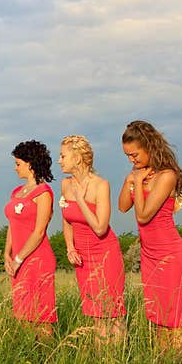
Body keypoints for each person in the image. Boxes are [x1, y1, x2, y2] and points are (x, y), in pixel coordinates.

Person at [118, 120, 182, 352]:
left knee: (176, 316)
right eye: (128, 156)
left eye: (134, 154)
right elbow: (122, 207)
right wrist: (129, 179)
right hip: (149, 254)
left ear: (149, 146)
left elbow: (143, 216)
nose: (132, 160)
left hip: (170, 253)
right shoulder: (139, 175)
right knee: (159, 315)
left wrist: (138, 181)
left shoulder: (166, 176)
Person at [58, 134, 126, 343]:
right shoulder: (65, 185)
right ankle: (100, 363)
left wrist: (80, 199)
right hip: (83, 258)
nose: (59, 161)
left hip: (106, 254)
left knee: (113, 314)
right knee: (95, 314)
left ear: (77, 158)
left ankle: (119, 361)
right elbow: (67, 219)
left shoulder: (101, 185)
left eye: (63, 156)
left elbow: (99, 227)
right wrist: (70, 247)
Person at [4, 140, 57, 339]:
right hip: (17, 260)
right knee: (22, 314)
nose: (15, 167)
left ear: (30, 163)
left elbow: (39, 231)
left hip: (36, 260)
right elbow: (12, 224)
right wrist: (7, 253)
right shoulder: (16, 192)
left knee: (41, 315)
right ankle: (29, 355)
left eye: (18, 163)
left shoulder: (43, 193)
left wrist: (19, 259)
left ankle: (47, 357)